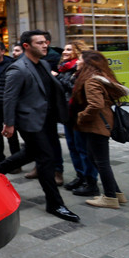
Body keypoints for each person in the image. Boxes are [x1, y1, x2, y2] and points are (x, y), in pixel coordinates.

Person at [0, 30, 78, 222]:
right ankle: (55, 203)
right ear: (27, 46)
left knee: (30, 153)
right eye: (39, 42)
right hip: (30, 121)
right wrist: (9, 123)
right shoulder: (18, 68)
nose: (45, 45)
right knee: (46, 158)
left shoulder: (43, 64)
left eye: (45, 42)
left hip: (47, 119)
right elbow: (10, 98)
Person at [72, 50, 129, 209]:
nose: (77, 62)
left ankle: (110, 197)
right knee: (95, 158)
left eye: (79, 59)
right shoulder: (100, 78)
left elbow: (96, 104)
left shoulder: (91, 80)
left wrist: (81, 116)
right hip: (102, 123)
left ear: (87, 63)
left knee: (101, 162)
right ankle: (116, 193)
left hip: (97, 125)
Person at [55, 40, 98, 196]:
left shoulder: (81, 68)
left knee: (83, 149)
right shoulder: (64, 68)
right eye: (64, 49)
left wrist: (57, 79)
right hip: (68, 114)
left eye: (69, 50)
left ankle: (90, 181)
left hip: (79, 115)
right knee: (73, 147)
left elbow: (77, 90)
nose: (64, 52)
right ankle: (80, 176)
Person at [0, 41, 19, 165]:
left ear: (2, 51)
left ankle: (16, 162)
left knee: (11, 133)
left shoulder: (11, 65)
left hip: (7, 104)